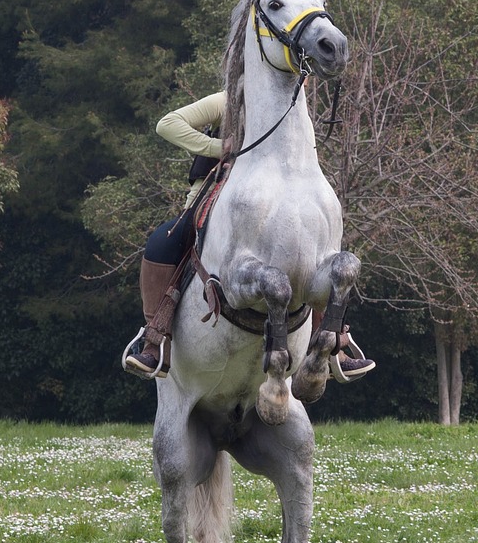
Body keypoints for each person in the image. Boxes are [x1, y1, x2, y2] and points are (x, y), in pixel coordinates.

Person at [122, 90, 376, 381]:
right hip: (216, 196)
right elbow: (168, 123)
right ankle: (156, 340)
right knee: (163, 240)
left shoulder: (295, 110)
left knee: (318, 251)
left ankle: (331, 346)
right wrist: (218, 147)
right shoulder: (227, 101)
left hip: (278, 206)